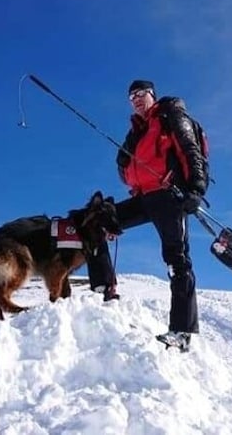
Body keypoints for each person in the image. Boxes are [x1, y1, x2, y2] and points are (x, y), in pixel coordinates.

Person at [86, 79, 208, 351]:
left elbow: (191, 151)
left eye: (140, 94)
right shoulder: (136, 131)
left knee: (177, 260)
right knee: (96, 220)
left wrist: (196, 189)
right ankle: (104, 290)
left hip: (169, 196)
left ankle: (181, 331)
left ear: (153, 94)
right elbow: (127, 169)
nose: (136, 100)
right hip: (144, 197)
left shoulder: (170, 116)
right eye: (131, 97)